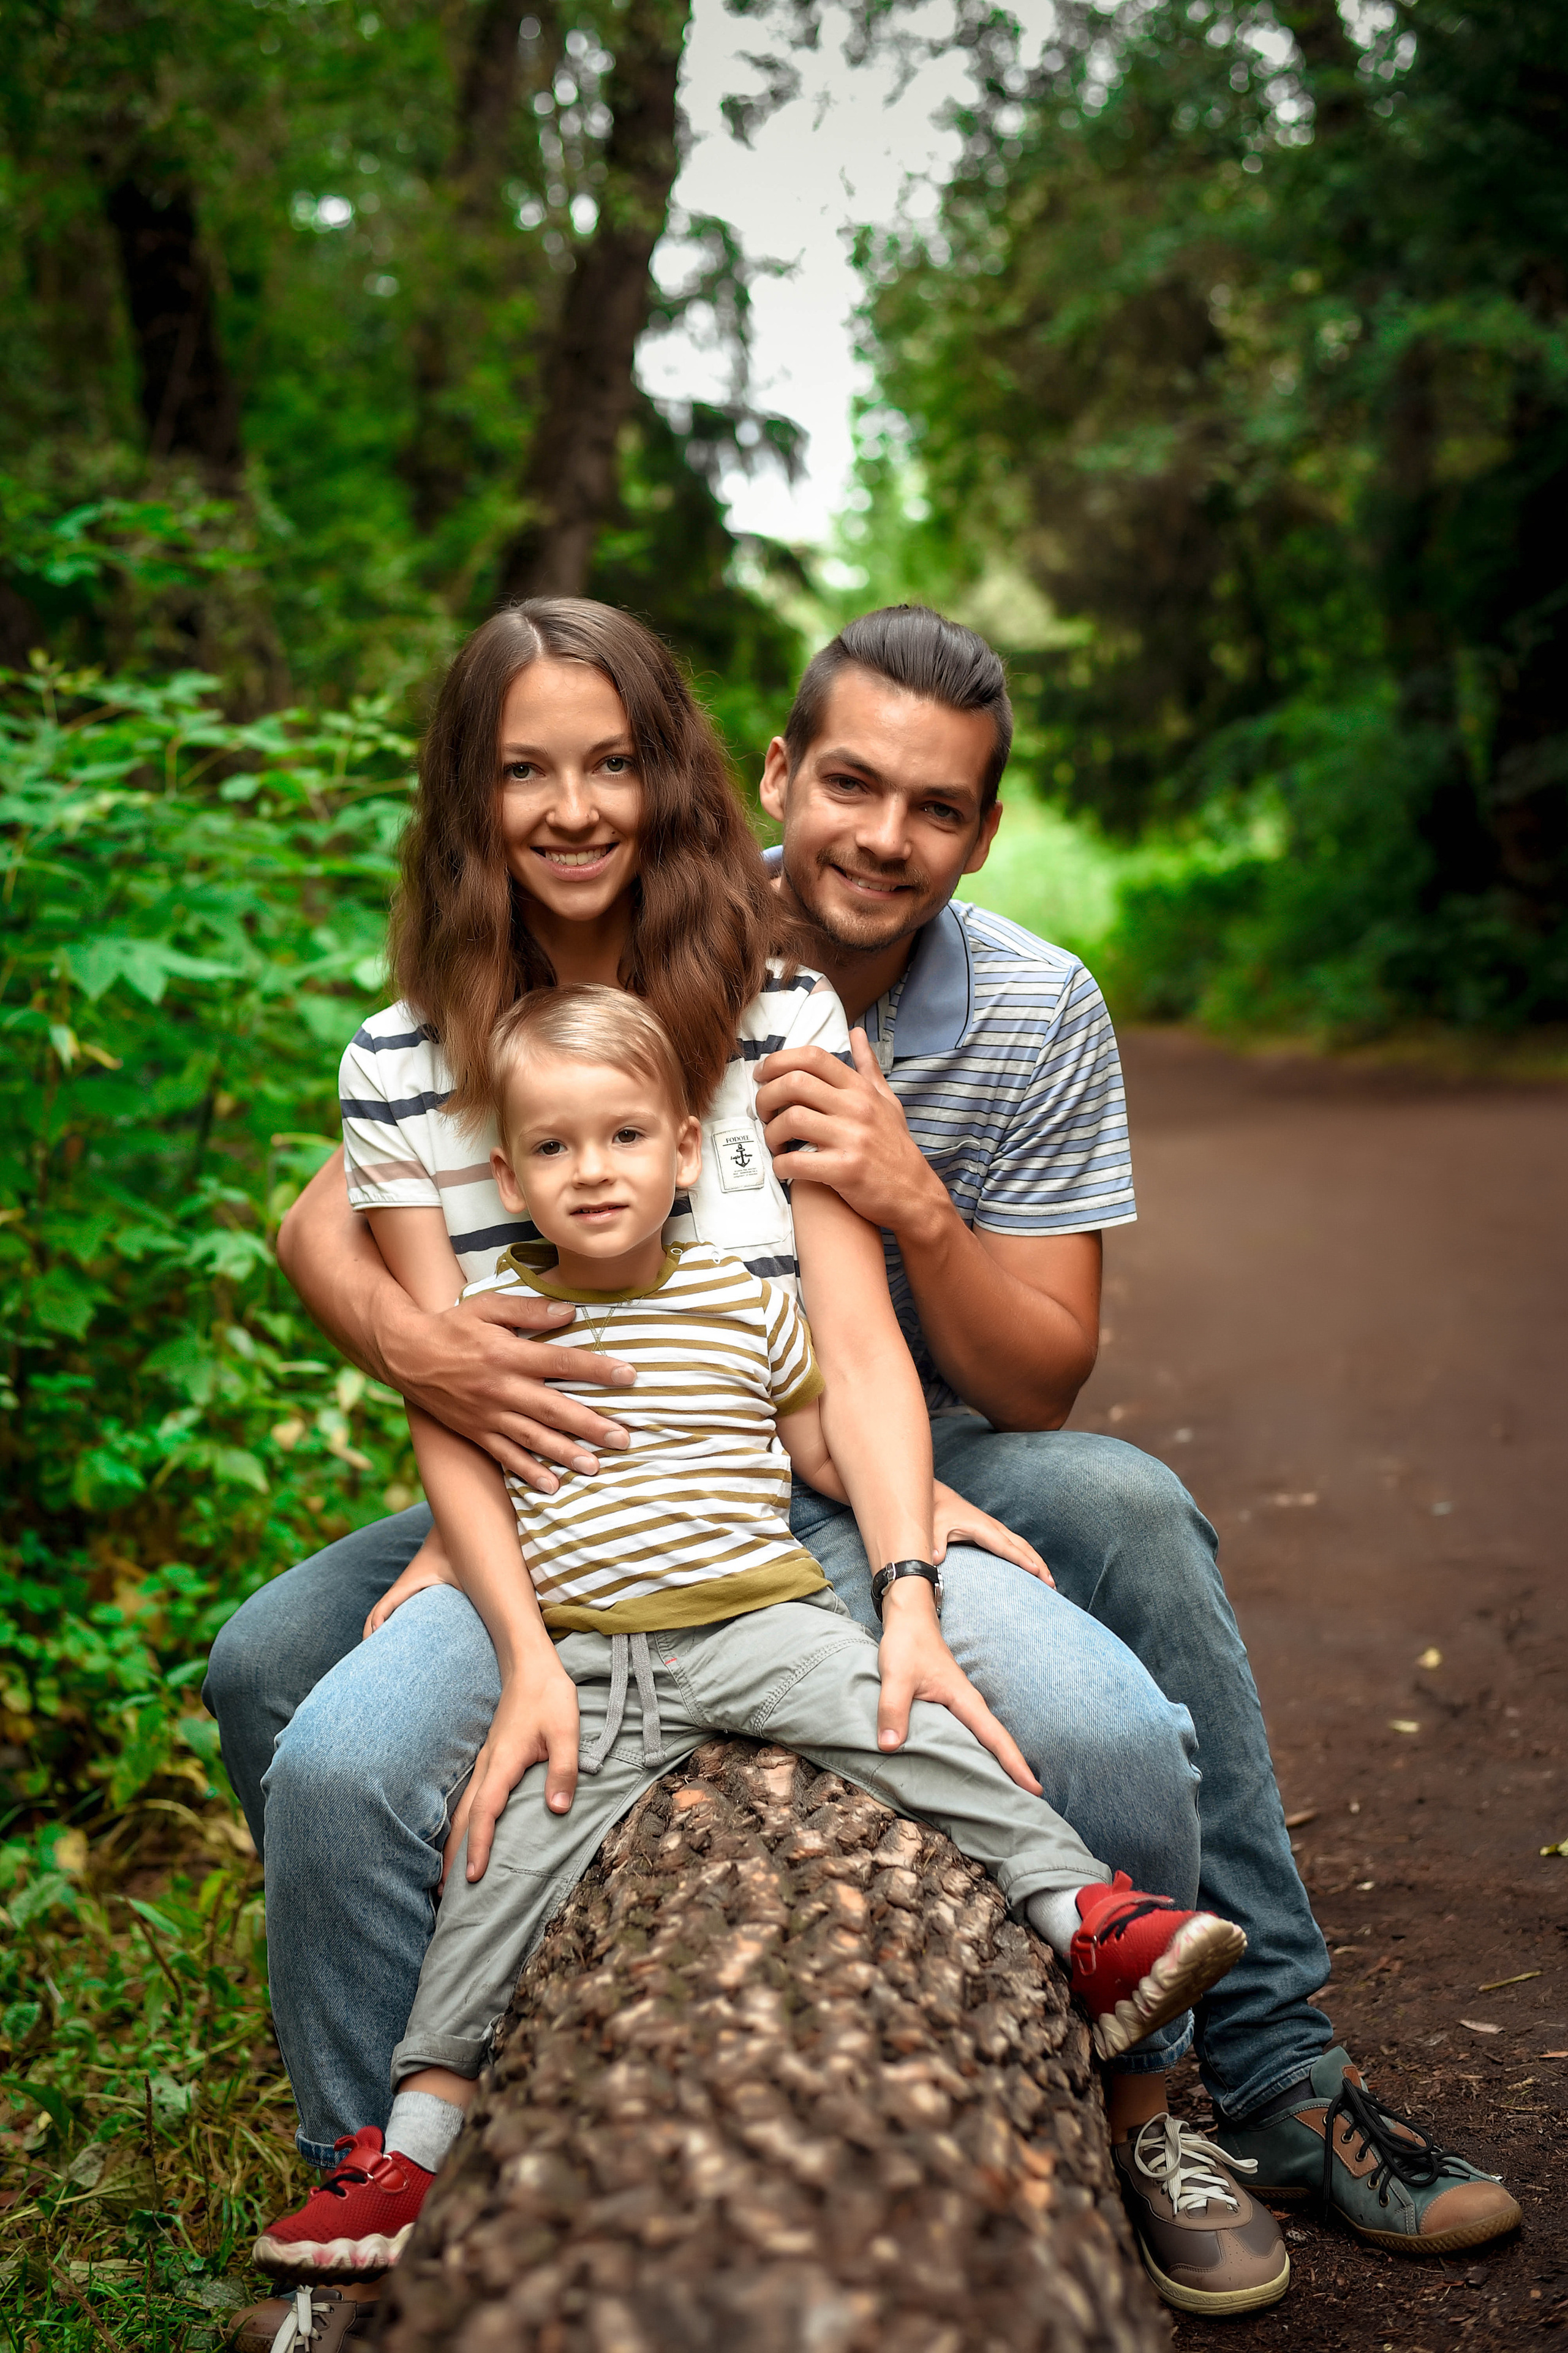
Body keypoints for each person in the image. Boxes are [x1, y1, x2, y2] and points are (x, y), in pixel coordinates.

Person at [208, 600, 1231, 2287]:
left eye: (612, 762)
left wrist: (907, 1570)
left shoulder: (779, 1015)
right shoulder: (400, 1065)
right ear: (466, 795)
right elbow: (427, 1366)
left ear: (674, 779)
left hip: (786, 1501)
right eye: (524, 770)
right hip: (539, 1533)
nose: (572, 809)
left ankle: (1156, 2106)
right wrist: (493, 1605)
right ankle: (377, 2182)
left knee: (1103, 1725)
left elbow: (854, 1345)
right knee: (329, 1759)